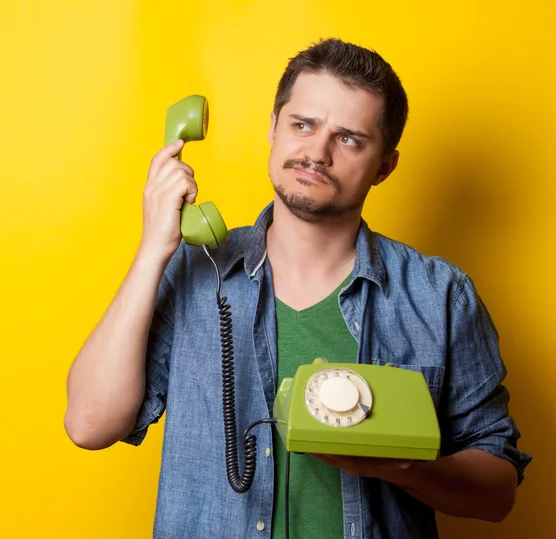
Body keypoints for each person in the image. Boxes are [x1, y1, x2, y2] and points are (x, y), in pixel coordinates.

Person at [64, 38, 532, 538]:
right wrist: (154, 248)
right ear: (273, 128)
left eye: (349, 138)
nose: (317, 152)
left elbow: (497, 492)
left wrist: (403, 468)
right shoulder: (194, 270)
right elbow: (89, 425)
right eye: (302, 125)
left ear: (384, 166)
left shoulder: (440, 295)